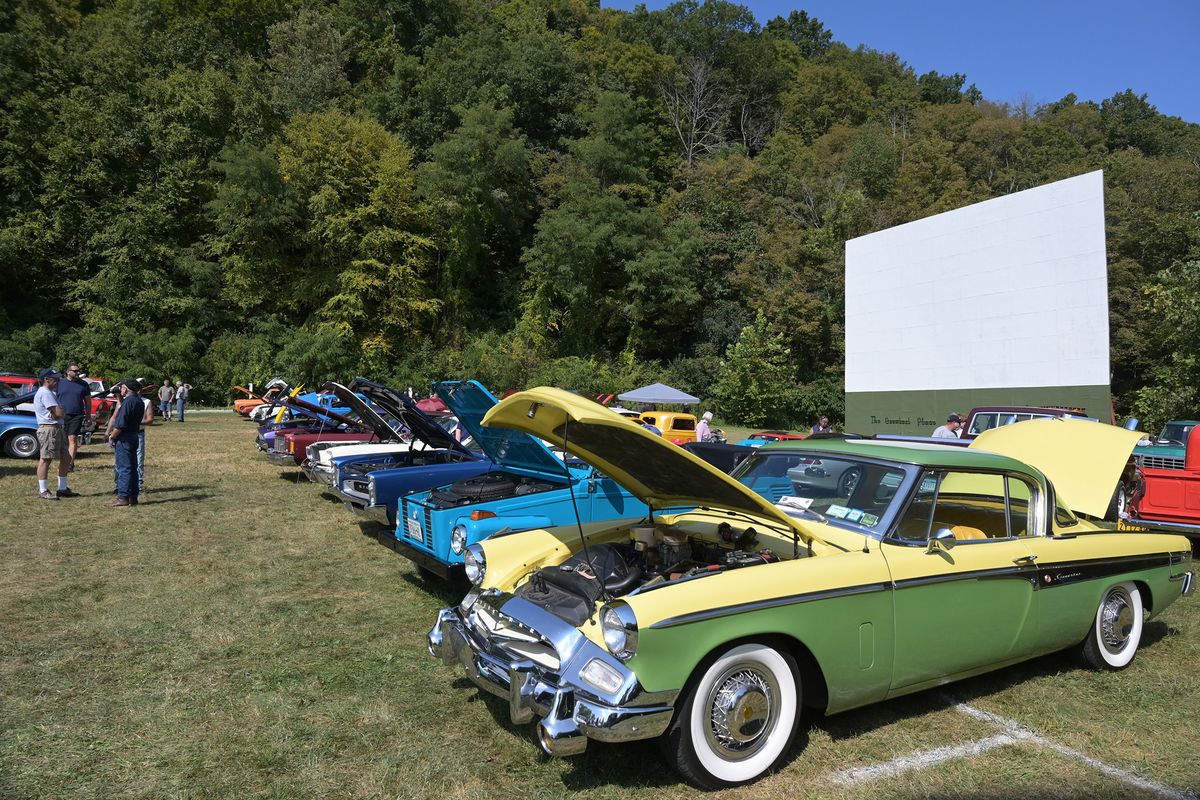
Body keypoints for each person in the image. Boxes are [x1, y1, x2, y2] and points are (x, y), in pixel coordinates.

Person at [33, 368, 77, 499]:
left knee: (66, 458)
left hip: (56, 428)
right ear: (46, 379)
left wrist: (60, 411)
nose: (58, 381)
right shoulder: (45, 393)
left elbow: (59, 413)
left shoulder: (50, 393)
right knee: (46, 459)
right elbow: (59, 413)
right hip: (49, 429)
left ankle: (62, 489)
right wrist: (61, 411)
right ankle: (43, 490)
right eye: (55, 379)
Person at [107, 379, 145, 507]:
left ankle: (123, 497)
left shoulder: (128, 402)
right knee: (133, 468)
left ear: (126, 388)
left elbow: (121, 424)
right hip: (134, 435)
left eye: (122, 387)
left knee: (124, 468)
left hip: (124, 438)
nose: (121, 389)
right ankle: (133, 497)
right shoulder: (139, 401)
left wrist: (112, 436)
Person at [57, 364, 91, 469]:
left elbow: (88, 401)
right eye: (75, 371)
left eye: (78, 371)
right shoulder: (60, 383)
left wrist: (88, 416)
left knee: (72, 438)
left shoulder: (84, 384)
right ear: (68, 372)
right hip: (62, 415)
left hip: (77, 415)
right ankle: (63, 461)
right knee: (63, 440)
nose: (78, 373)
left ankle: (70, 464)